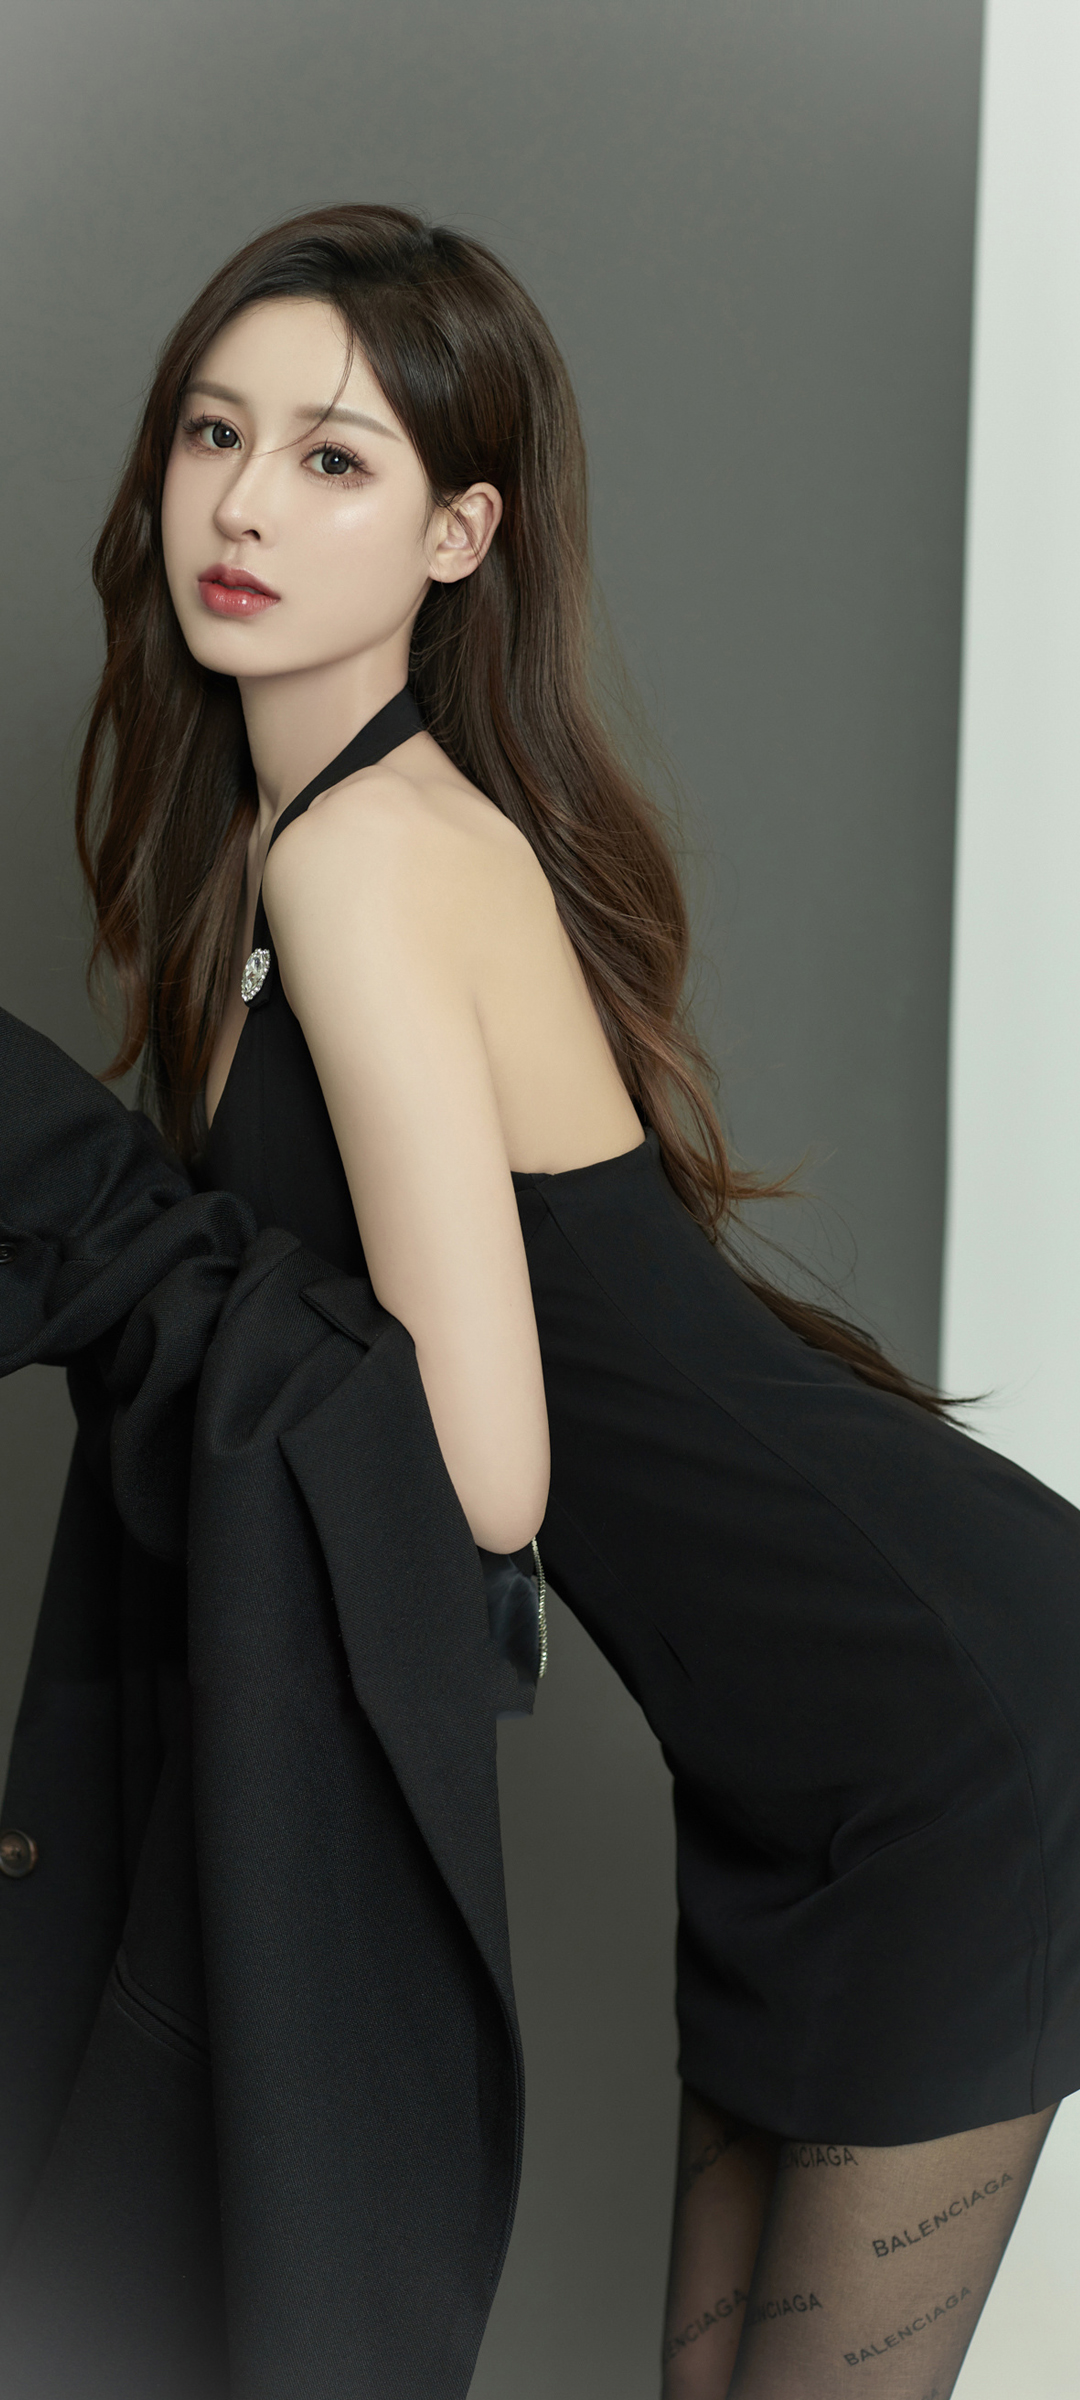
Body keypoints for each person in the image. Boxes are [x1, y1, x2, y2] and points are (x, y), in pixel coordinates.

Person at [73, 202, 1080, 2399]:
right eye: (214, 434)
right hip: (784, 1747)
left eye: (333, 459)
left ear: (460, 534)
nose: (243, 506)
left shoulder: (363, 858)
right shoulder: (278, 856)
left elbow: (491, 1473)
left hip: (944, 1728)